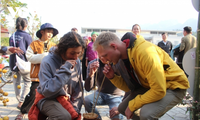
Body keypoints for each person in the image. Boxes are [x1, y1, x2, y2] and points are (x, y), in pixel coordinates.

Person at [93, 32, 189, 120]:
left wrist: (133, 105)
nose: (104, 60)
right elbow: (128, 88)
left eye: (105, 55)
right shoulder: (122, 58)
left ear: (114, 46)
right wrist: (112, 77)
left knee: (146, 114)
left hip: (174, 86)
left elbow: (159, 90)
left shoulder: (145, 52)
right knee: (123, 108)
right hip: (149, 86)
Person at [28, 31, 85, 120]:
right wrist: (65, 69)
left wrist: (75, 108)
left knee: (73, 115)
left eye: (78, 53)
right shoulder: (47, 61)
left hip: (65, 99)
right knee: (63, 116)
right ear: (63, 50)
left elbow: (78, 89)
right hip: (46, 98)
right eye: (72, 53)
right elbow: (47, 91)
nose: (75, 57)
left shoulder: (76, 62)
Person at [15, 23, 58, 120]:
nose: (50, 34)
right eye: (48, 32)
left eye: (51, 32)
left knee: (50, 95)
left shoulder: (54, 46)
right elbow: (29, 57)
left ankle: (47, 114)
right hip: (37, 75)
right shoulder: (34, 44)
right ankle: (23, 112)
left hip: (50, 76)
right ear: (42, 32)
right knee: (33, 94)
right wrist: (44, 56)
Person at [9, 17, 32, 109]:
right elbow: (30, 50)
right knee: (27, 81)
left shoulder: (12, 35)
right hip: (24, 62)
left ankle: (19, 99)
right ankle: (22, 101)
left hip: (13, 62)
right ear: (25, 25)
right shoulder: (27, 36)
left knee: (16, 83)